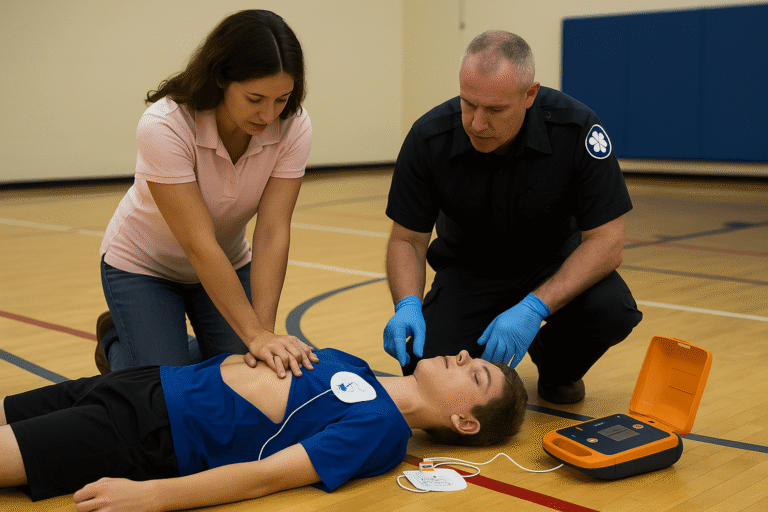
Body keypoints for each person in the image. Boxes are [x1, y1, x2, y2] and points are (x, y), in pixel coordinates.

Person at [383, 30, 643, 404]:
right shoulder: (429, 138)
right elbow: (407, 238)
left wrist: (535, 307)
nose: (476, 123)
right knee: (424, 366)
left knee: (612, 310)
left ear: (529, 95)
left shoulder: (577, 129)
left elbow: (607, 241)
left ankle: (557, 366)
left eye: (495, 110)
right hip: (470, 272)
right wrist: (407, 302)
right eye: (468, 103)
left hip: (554, 265)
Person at [0, 347, 527, 510]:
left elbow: (268, 476)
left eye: (474, 372)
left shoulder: (379, 432)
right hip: (147, 383)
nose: (461, 356)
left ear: (463, 421)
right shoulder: (361, 369)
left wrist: (152, 496)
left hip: (150, 432)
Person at [96, 9, 317, 378]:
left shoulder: (294, 125)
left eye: (281, 99)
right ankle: (118, 342)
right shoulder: (165, 125)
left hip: (227, 263)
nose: (268, 115)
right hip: (143, 267)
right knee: (164, 389)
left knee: (245, 371)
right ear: (220, 80)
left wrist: (261, 336)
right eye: (254, 98)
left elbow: (272, 232)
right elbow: (199, 243)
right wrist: (254, 335)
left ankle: (165, 348)